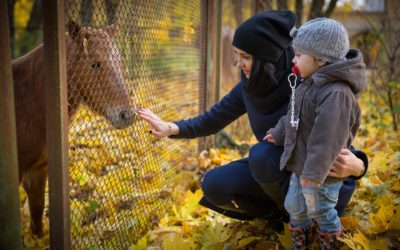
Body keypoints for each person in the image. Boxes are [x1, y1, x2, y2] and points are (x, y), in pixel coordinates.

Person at [137, 10, 368, 231]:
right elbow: (213, 119)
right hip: (281, 171)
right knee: (214, 184)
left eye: (246, 57)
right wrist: (170, 128)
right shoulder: (251, 86)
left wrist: (359, 166)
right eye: (236, 55)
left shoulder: (307, 78)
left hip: (321, 180)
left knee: (262, 155)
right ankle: (281, 217)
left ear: (267, 58)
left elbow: (334, 135)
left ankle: (308, 220)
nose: (238, 64)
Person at [265, 18, 366, 248]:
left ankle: (330, 240)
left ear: (320, 59)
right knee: (294, 206)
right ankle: (300, 241)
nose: (293, 59)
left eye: (299, 55)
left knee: (320, 208)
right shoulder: (309, 83)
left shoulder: (336, 93)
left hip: (323, 173)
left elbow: (327, 139)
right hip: (302, 166)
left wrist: (314, 174)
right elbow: (293, 115)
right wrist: (279, 132)